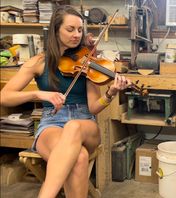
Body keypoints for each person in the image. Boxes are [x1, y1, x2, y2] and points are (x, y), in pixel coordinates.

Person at [0, 5, 131, 198]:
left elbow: (94, 107)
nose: (77, 35)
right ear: (55, 30)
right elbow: (4, 96)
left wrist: (111, 92)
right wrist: (39, 94)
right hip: (51, 122)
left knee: (72, 127)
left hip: (84, 123)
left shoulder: (87, 61)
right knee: (79, 158)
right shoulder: (38, 62)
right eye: (70, 29)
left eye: (79, 30)